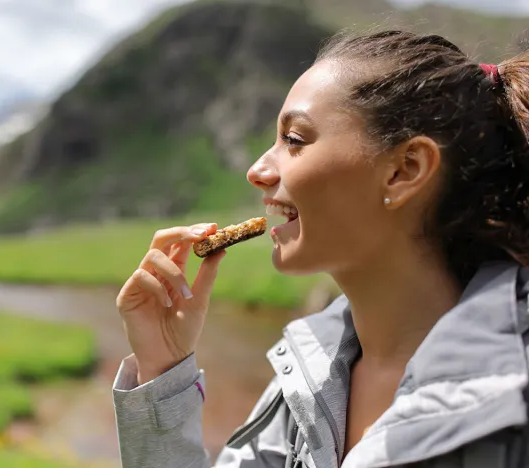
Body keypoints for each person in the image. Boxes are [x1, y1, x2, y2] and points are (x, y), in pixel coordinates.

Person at [112, 30, 529, 467]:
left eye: (293, 139)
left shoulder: (513, 396)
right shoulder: (305, 380)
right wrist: (161, 371)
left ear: (404, 170)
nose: (257, 170)